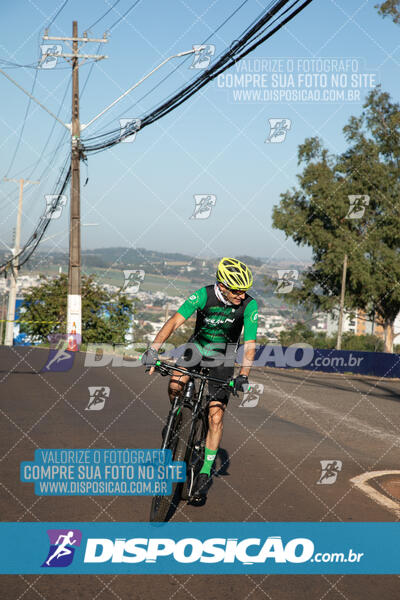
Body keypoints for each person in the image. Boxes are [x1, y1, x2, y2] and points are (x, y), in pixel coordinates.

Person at [142, 257, 258, 502]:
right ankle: (177, 414)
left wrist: (244, 375)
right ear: (223, 286)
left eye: (245, 290)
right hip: (195, 350)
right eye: (238, 290)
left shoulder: (249, 306)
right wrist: (153, 350)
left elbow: (249, 343)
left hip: (223, 358)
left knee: (215, 415)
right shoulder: (204, 295)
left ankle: (204, 470)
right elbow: (175, 321)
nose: (242, 295)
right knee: (175, 384)